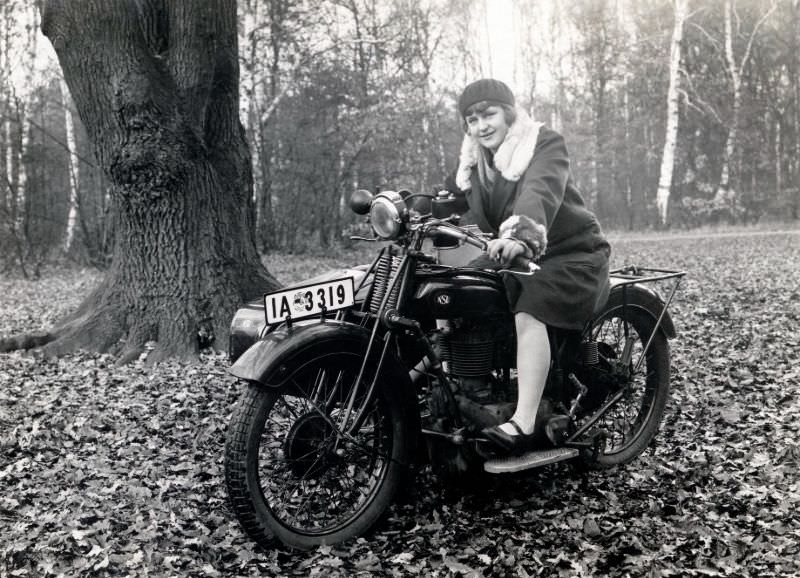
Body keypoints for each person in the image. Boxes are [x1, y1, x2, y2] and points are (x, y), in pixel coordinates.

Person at [445, 78, 611, 454]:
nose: (481, 125)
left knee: (528, 308)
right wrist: (402, 212)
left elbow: (540, 191)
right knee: (455, 288)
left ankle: (524, 421)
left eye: (488, 114)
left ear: (508, 113)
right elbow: (448, 200)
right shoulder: (475, 162)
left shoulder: (542, 143)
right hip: (511, 251)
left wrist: (521, 234)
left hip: (571, 252)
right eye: (472, 119)